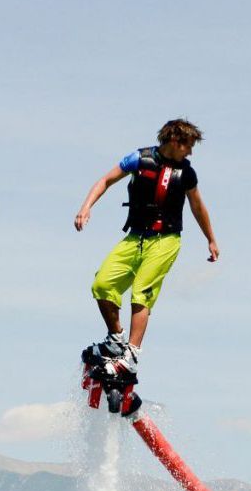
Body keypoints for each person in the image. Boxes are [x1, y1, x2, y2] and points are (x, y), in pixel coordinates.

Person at [74, 118, 219, 375]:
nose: (191, 152)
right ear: (175, 141)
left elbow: (198, 206)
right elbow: (106, 180)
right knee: (102, 285)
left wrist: (210, 238)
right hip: (135, 237)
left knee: (141, 292)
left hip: (166, 240)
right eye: (189, 145)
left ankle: (131, 355)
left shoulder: (186, 173)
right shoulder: (138, 159)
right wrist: (86, 207)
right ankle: (116, 339)